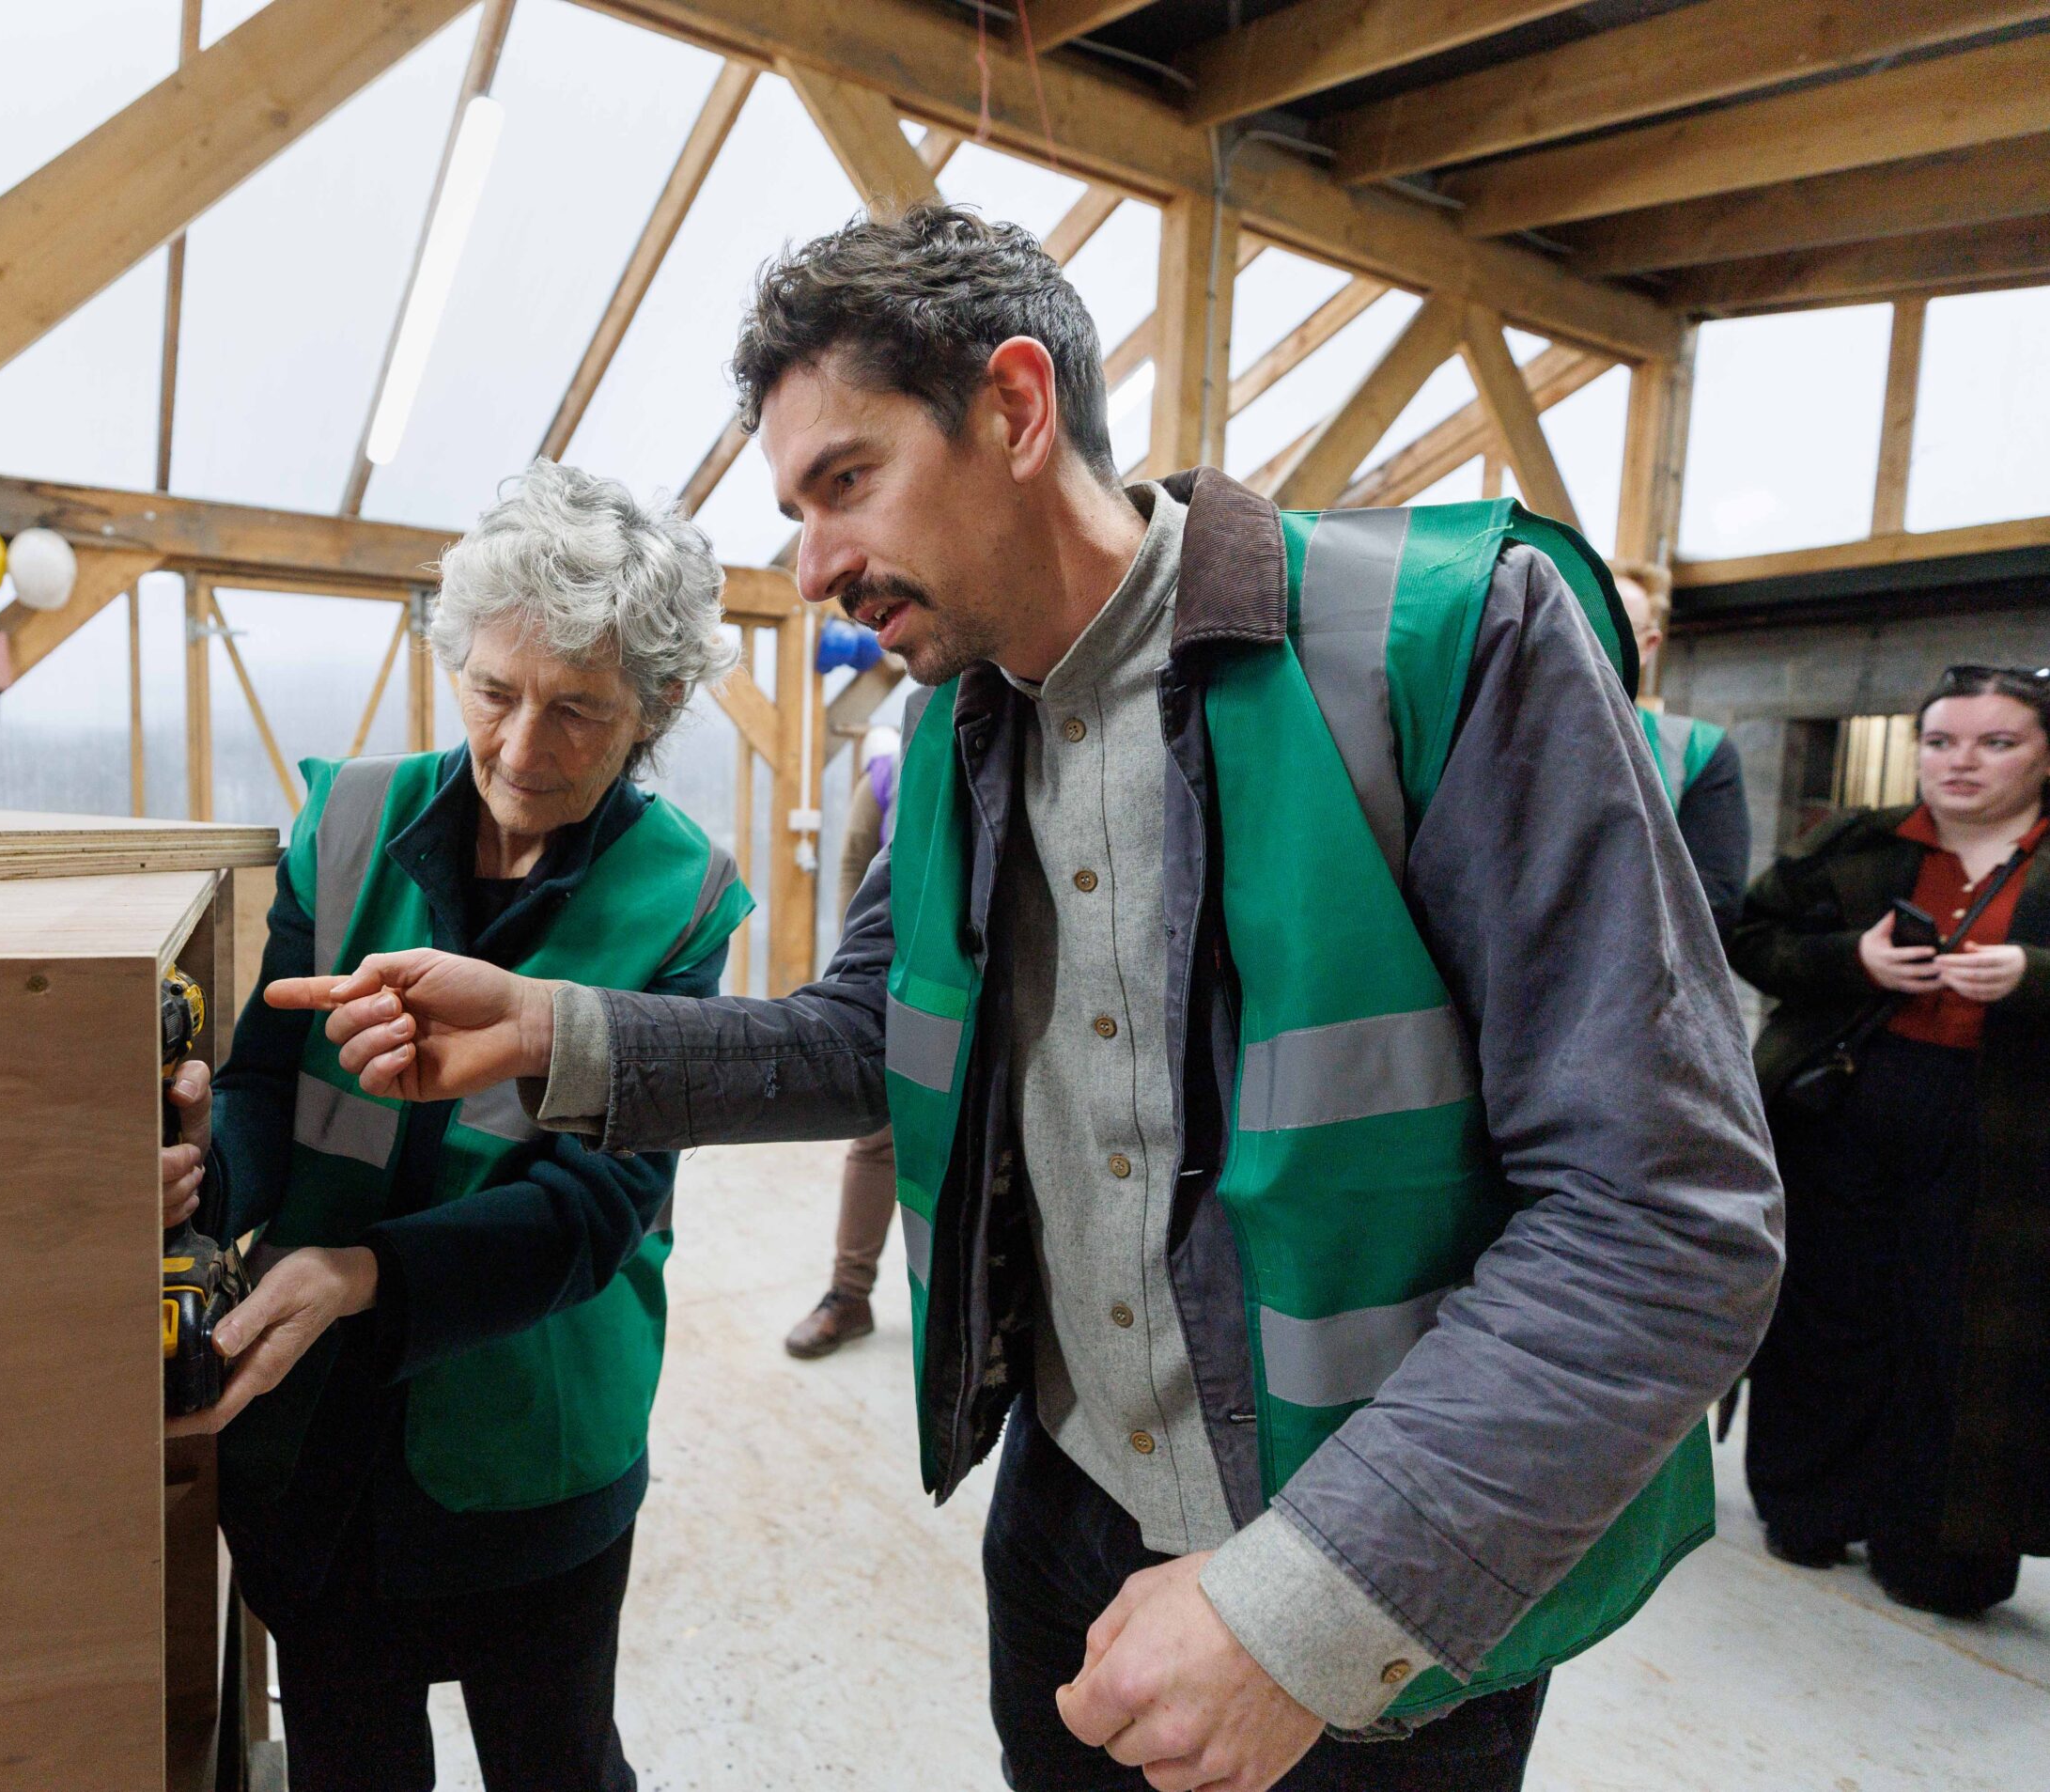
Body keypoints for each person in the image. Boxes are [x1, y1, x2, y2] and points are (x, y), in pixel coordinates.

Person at [269, 208, 1782, 1792]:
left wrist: (1304, 1607)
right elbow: (874, 1038)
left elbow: (1666, 1219)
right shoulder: (953, 732)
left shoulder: (1447, 640)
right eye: (795, 510)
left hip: (1367, 1565)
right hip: (1066, 1523)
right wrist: (557, 1030)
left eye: (845, 482)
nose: (814, 566)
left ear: (1013, 405)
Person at [160, 461, 750, 1792]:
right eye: (494, 691)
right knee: (350, 1757)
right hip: (311, 1422)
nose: (522, 749)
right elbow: (265, 1080)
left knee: (556, 1759)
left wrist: (364, 1271)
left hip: (530, 1438)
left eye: (579, 709)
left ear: (657, 707)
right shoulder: (350, 821)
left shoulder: (680, 897)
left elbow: (600, 1207)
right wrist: (204, 1170)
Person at [1728, 664, 2050, 1617]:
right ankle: (1808, 1505)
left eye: (1997, 742)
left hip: (2008, 1129)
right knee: (1825, 1308)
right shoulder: (1859, 840)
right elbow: (1750, 936)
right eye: (1940, 740)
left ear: (2044, 756)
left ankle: (1939, 1550)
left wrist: (2032, 975)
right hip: (1846, 1103)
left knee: (1963, 1331)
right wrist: (1852, 958)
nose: (1961, 761)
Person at [786, 721, 904, 1358]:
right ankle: (849, 1294)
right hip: (903, 980)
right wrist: (859, 963)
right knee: (877, 1136)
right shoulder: (890, 769)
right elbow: (855, 865)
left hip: (1004, 982)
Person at [1614, 574, 1751, 929]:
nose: (1595, 642)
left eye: (1617, 626)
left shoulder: (1697, 750)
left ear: (1648, 645)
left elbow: (1712, 902)